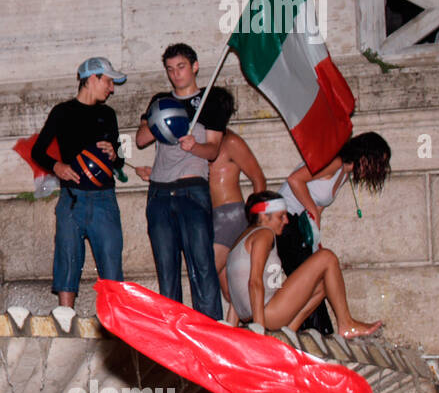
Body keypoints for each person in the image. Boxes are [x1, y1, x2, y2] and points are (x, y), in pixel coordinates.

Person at [135, 43, 228, 319]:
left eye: (182, 67)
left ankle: (210, 332)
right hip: (160, 192)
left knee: (202, 266)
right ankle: (171, 332)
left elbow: (213, 149)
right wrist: (161, 121)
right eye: (170, 69)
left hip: (191, 190)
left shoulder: (212, 99)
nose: (176, 74)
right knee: (166, 269)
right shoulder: (161, 100)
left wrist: (194, 146)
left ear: (195, 66)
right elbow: (141, 139)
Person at [33, 57, 126, 310]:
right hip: (72, 199)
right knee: (67, 259)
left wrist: (115, 155)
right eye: (108, 81)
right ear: (93, 78)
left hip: (104, 198)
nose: (111, 88)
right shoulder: (62, 112)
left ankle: (114, 321)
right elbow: (38, 151)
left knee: (111, 264)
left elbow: (119, 162)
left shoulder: (108, 114)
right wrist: (57, 167)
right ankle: (66, 318)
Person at [224, 191, 382, 336]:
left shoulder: (239, 242)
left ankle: (289, 332)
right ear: (265, 217)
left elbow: (236, 296)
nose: (286, 221)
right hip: (268, 314)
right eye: (281, 216)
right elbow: (254, 282)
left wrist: (229, 332)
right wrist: (259, 331)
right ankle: (346, 324)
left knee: (323, 283)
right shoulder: (264, 233)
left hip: (255, 314)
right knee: (327, 257)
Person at [277, 131, 390, 332]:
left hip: (298, 226)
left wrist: (315, 239)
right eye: (377, 162)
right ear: (365, 155)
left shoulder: (344, 173)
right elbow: (295, 180)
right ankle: (337, 326)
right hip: (284, 222)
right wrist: (311, 209)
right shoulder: (335, 161)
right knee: (308, 284)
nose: (376, 170)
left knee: (315, 282)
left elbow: (318, 206)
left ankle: (324, 330)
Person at [207, 93, 267, 310]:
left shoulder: (232, 142)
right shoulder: (203, 143)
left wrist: (257, 222)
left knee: (206, 271)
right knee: (227, 288)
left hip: (231, 214)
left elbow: (258, 178)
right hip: (210, 215)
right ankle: (237, 330)